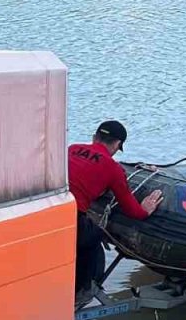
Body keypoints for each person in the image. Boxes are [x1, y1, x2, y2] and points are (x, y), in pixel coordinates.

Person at [68, 120, 163, 300]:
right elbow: (131, 209)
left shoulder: (71, 149)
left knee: (83, 234)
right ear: (117, 144)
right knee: (95, 235)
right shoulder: (113, 168)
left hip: (52, 212)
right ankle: (82, 289)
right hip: (73, 218)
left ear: (95, 137)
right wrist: (145, 210)